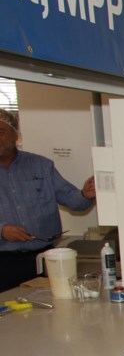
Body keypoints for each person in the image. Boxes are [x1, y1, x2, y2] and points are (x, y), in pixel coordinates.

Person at [0, 108, 96, 291]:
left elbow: (70, 198)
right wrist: (2, 230)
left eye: (0, 132)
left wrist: (85, 194)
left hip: (44, 260)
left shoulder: (40, 165)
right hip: (3, 263)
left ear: (16, 135)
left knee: (47, 314)